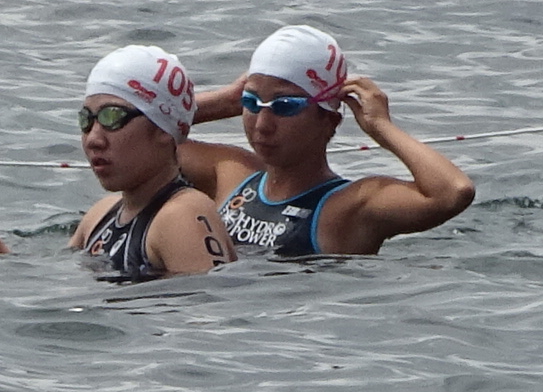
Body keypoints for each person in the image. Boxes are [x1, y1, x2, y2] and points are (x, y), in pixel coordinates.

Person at [0, 46, 231, 281]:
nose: (93, 138)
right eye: (86, 120)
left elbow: (207, 330)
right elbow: (26, 282)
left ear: (164, 129)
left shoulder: (183, 216)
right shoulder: (101, 215)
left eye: (113, 118)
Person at [173, 25, 479, 258]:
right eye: (252, 104)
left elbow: (453, 191)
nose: (262, 125)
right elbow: (145, 139)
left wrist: (381, 128)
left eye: (285, 106)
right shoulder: (231, 174)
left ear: (328, 120)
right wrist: (223, 102)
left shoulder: (347, 208)